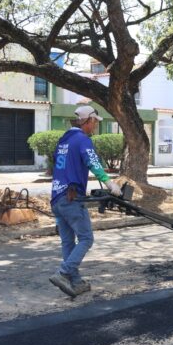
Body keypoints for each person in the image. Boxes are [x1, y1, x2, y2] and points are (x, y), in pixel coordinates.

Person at [49, 105, 122, 298]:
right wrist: (109, 183)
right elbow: (93, 162)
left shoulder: (63, 140)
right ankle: (63, 273)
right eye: (95, 123)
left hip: (56, 197)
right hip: (71, 197)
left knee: (67, 241)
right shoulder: (82, 140)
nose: (95, 127)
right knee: (86, 238)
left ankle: (75, 281)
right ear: (88, 121)